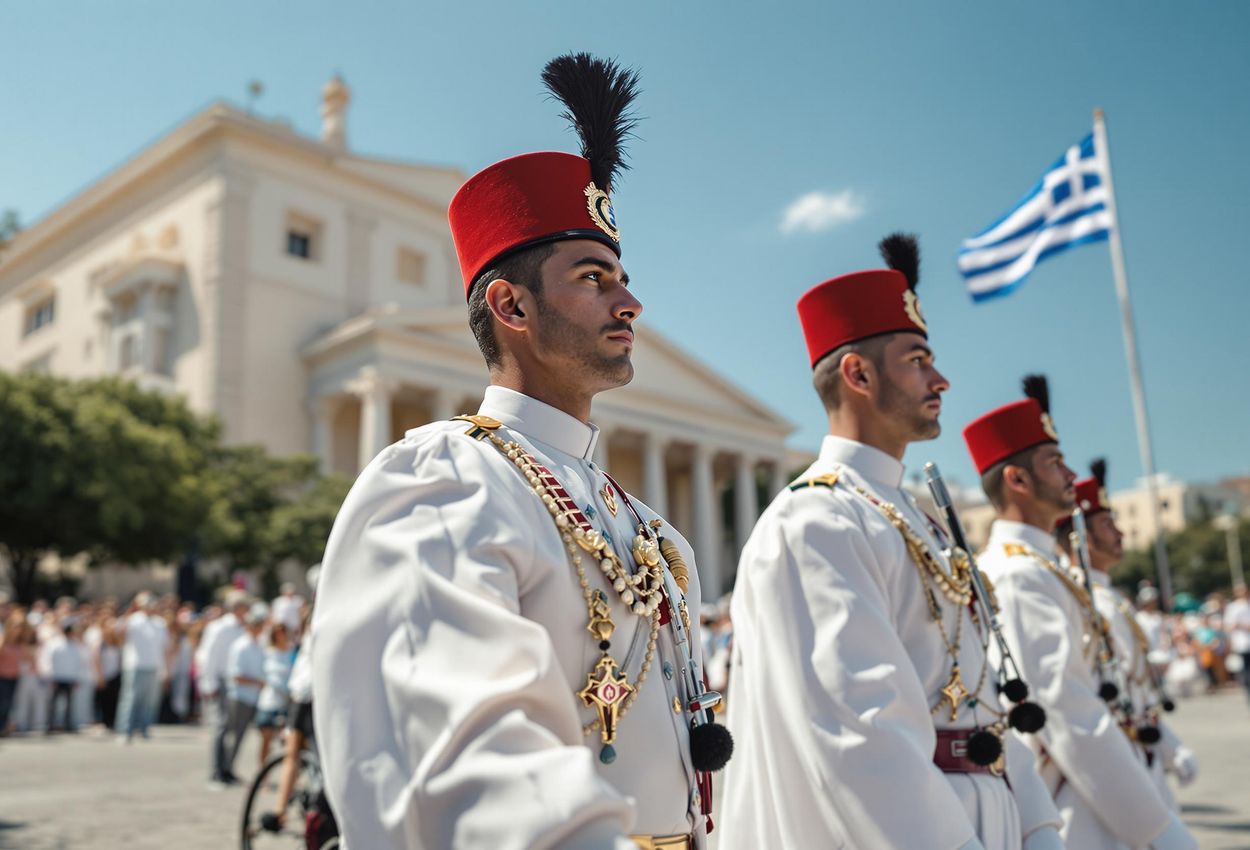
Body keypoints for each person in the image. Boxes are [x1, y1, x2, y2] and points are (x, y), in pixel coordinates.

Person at [313, 53, 728, 850]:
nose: (630, 299)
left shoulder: (652, 532)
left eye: (623, 276)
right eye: (594, 276)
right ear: (511, 305)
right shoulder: (444, 480)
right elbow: (474, 760)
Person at [721, 236, 1061, 850]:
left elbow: (990, 696)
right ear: (858, 374)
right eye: (918, 361)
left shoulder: (919, 517)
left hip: (994, 807)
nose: (942, 380)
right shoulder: (815, 521)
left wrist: (1039, 827)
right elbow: (861, 735)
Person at [966, 375, 1196, 850]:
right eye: (1054, 463)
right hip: (1075, 800)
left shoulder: (1041, 569)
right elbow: (1063, 708)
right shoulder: (1016, 574)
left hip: (1102, 788)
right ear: (1018, 479)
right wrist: (1153, 825)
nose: (1071, 476)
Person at [1054, 459, 1198, 810]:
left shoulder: (1111, 599)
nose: (1119, 533)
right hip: (1112, 766)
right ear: (1081, 539)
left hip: (1139, 750)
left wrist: (1168, 742)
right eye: (1107, 524)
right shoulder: (1081, 599)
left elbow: (1136, 688)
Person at [198, 594, 249, 783]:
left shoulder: (241, 628)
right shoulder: (220, 628)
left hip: (234, 682)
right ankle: (217, 771)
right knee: (221, 726)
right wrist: (208, 683)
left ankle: (228, 768)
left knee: (233, 728)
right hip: (220, 679)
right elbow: (209, 656)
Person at [219, 602, 268, 786]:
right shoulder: (240, 646)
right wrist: (259, 682)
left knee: (242, 737)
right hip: (240, 697)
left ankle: (230, 769)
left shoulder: (258, 645)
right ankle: (224, 770)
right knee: (233, 735)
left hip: (253, 696)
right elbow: (237, 675)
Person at [115, 592, 167, 742]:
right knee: (130, 699)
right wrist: (130, 611)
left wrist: (165, 668)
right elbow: (120, 635)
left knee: (150, 701)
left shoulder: (159, 623)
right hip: (135, 665)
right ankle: (125, 730)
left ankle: (144, 728)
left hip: (154, 665)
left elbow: (164, 646)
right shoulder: (132, 620)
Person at [255, 621, 292, 769]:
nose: (281, 636)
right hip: (269, 701)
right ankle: (262, 773)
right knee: (266, 739)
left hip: (287, 702)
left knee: (288, 741)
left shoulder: (291, 653)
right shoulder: (267, 653)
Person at [1224, 584, 1250, 699]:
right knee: (1246, 670)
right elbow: (1228, 625)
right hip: (1242, 643)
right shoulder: (1233, 607)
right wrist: (1242, 625)